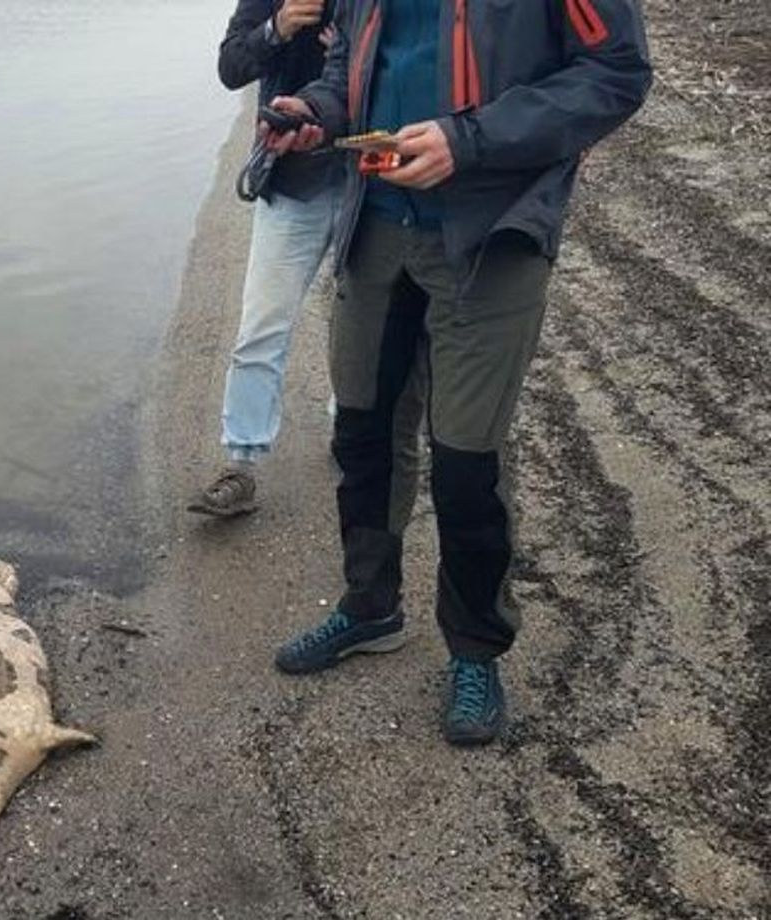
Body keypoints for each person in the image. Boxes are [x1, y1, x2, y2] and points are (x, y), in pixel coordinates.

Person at [264, 0, 651, 745]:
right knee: (364, 434)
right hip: (375, 226)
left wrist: (467, 140)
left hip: (489, 235)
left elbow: (617, 72)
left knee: (468, 460)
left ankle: (476, 649)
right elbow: (355, 59)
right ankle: (370, 607)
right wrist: (315, 108)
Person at [191, 0, 426, 519]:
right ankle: (241, 462)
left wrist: (363, 56)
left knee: (362, 329)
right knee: (261, 325)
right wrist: (276, 29)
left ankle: (351, 436)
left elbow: (431, 65)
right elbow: (231, 67)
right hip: (295, 183)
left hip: (376, 184)